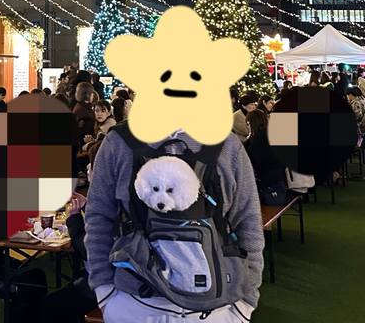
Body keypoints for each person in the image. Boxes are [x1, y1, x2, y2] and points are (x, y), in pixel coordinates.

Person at [85, 123, 264, 323]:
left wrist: (246, 302)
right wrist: (105, 291)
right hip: (134, 304)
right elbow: (98, 217)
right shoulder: (118, 142)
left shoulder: (228, 145)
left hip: (216, 308)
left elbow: (249, 222)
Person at [40, 193, 95, 323]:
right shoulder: (122, 202)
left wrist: (74, 218)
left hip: (105, 286)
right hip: (113, 280)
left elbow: (87, 249)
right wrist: (86, 205)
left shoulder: (111, 205)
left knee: (49, 307)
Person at [244, 109, 286, 202]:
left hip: (265, 184)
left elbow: (251, 165)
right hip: (279, 180)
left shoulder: (254, 143)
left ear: (250, 124)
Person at [72, 82, 96, 150]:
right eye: (92, 93)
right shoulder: (84, 111)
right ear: (88, 94)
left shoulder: (79, 106)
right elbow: (85, 133)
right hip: (83, 147)